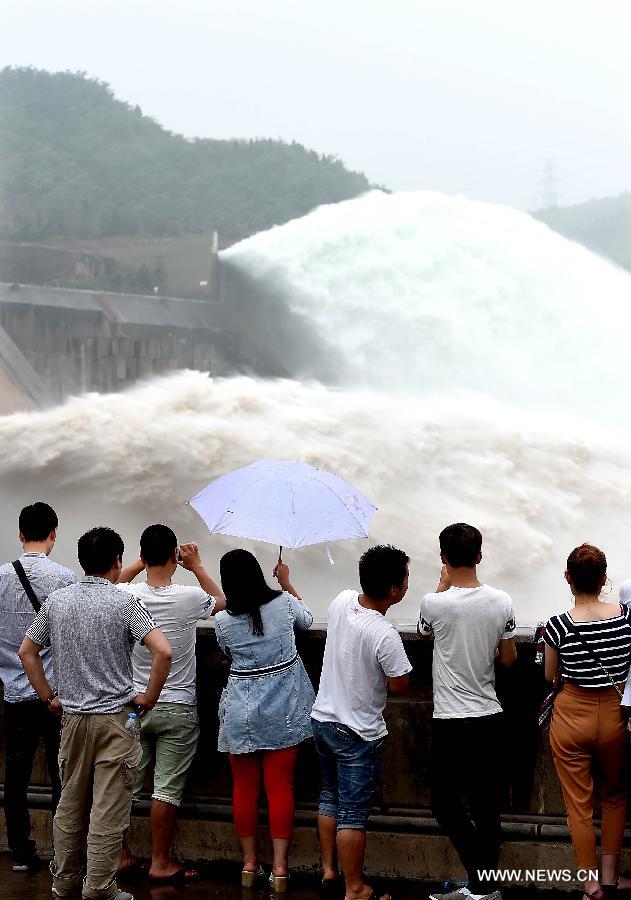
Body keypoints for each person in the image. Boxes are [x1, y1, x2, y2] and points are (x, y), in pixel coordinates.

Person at [18, 526, 173, 900]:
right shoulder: (124, 603)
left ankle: (64, 882)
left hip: (71, 719)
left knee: (69, 805)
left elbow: (28, 652)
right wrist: (149, 698)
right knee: (108, 808)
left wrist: (48, 696)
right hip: (115, 721)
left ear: (83, 561)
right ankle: (100, 888)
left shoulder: (58, 601)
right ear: (118, 561)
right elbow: (163, 652)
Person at [116, 524, 226, 883]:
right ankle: (160, 861)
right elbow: (222, 602)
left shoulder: (126, 596)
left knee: (124, 784)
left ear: (143, 556)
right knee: (166, 789)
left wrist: (138, 563)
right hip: (177, 705)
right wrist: (197, 567)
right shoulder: (188, 596)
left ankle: (120, 854)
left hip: (135, 704)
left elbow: (112, 583)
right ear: (175, 560)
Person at [418, 523, 516, 900]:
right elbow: (507, 659)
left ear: (443, 557)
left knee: (444, 804)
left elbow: (424, 632)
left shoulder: (434, 603)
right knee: (487, 807)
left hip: (450, 719)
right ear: (479, 556)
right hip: (489, 715)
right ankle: (483, 885)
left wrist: (441, 584)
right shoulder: (501, 601)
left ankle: (481, 882)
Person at [311, 544, 412, 900]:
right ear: (394, 591)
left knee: (328, 797)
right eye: (405, 578)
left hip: (323, 719)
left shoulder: (341, 600)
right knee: (352, 813)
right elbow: (400, 683)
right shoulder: (384, 634)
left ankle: (328, 871)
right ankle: (355, 889)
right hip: (356, 731)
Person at [214, 549, 315, 891]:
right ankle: (281, 869)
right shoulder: (284, 603)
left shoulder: (224, 621)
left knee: (243, 790)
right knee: (280, 789)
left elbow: (227, 654)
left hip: (241, 713)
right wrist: (287, 582)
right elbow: (308, 620)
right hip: (284, 710)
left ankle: (248, 864)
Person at [544, 544, 631, 900]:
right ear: (604, 579)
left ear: (568, 579)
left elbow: (550, 675)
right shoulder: (625, 616)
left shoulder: (558, 625)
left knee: (578, 805)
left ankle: (591, 885)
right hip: (612, 714)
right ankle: (611, 878)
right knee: (614, 795)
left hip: (570, 716)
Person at [0, 502, 76, 872]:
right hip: (55, 696)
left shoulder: (0, 578)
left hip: (14, 691)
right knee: (62, 772)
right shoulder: (63, 578)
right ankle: (62, 852)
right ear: (53, 535)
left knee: (16, 776)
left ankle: (20, 852)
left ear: (19, 534)